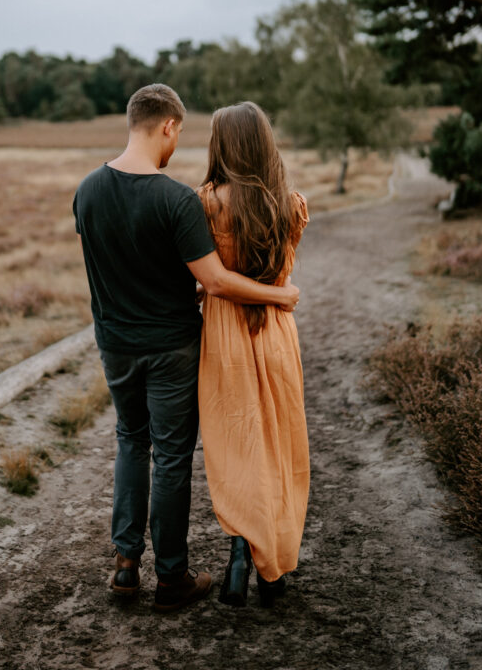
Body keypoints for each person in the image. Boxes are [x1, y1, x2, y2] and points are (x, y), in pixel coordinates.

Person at [72, 84, 299, 613]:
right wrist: (282, 294)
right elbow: (215, 281)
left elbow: (120, 266)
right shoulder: (175, 200)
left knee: (131, 439)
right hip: (172, 346)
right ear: (168, 126)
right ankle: (171, 577)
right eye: (180, 133)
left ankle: (126, 564)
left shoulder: (86, 190)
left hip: (116, 344)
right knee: (171, 457)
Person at [197, 101, 309, 608]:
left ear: (222, 145)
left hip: (226, 338)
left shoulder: (207, 203)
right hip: (278, 335)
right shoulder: (291, 204)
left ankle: (241, 553)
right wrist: (280, 294)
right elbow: (281, 278)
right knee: (278, 449)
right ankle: (271, 570)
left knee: (236, 446)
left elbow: (209, 284)